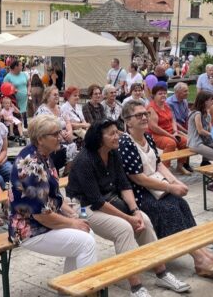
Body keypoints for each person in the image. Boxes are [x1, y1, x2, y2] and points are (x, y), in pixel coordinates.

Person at [67, 120, 191, 295]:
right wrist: (128, 218)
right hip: (82, 208)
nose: (117, 136)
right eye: (111, 133)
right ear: (98, 138)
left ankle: (162, 273)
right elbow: (96, 201)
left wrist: (135, 211)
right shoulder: (84, 160)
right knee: (124, 229)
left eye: (117, 132)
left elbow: (125, 185)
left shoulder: (113, 154)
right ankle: (136, 286)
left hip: (110, 201)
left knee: (145, 220)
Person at [119, 100, 213, 279]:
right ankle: (199, 259)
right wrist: (170, 187)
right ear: (128, 121)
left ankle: (204, 251)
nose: (143, 117)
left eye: (145, 114)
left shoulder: (147, 137)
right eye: (138, 115)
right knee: (169, 209)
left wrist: (176, 182)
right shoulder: (125, 143)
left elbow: (158, 165)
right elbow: (137, 178)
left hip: (156, 187)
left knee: (181, 204)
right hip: (138, 193)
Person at [8, 114, 97, 276]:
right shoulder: (32, 166)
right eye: (55, 134)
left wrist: (71, 214)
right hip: (29, 229)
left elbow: (52, 194)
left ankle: (70, 289)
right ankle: (86, 289)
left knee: (85, 233)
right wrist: (71, 223)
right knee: (86, 242)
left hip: (43, 221)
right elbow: (41, 216)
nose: (60, 137)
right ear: (41, 139)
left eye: (60, 132)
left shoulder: (43, 155)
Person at [147, 83, 190, 175]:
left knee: (185, 142)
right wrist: (170, 135)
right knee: (171, 143)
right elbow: (154, 127)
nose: (163, 95)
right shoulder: (151, 108)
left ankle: (180, 166)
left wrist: (175, 131)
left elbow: (173, 120)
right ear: (154, 95)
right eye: (160, 93)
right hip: (156, 134)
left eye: (164, 93)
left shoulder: (166, 105)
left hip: (170, 132)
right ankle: (165, 169)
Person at [35, 86, 77, 171]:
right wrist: (60, 133)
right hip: (52, 140)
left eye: (58, 94)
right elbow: (44, 129)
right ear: (47, 97)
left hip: (65, 138)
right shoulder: (42, 111)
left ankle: (66, 173)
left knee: (73, 146)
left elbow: (68, 122)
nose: (57, 96)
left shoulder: (60, 108)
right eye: (54, 95)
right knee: (68, 148)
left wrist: (69, 131)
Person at [3, 60, 29, 125]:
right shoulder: (8, 77)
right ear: (15, 67)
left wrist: (28, 91)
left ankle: (25, 125)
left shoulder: (24, 74)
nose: (22, 66)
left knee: (24, 111)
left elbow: (29, 84)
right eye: (20, 65)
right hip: (15, 100)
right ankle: (18, 128)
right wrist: (13, 90)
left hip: (25, 98)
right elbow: (4, 88)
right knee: (17, 114)